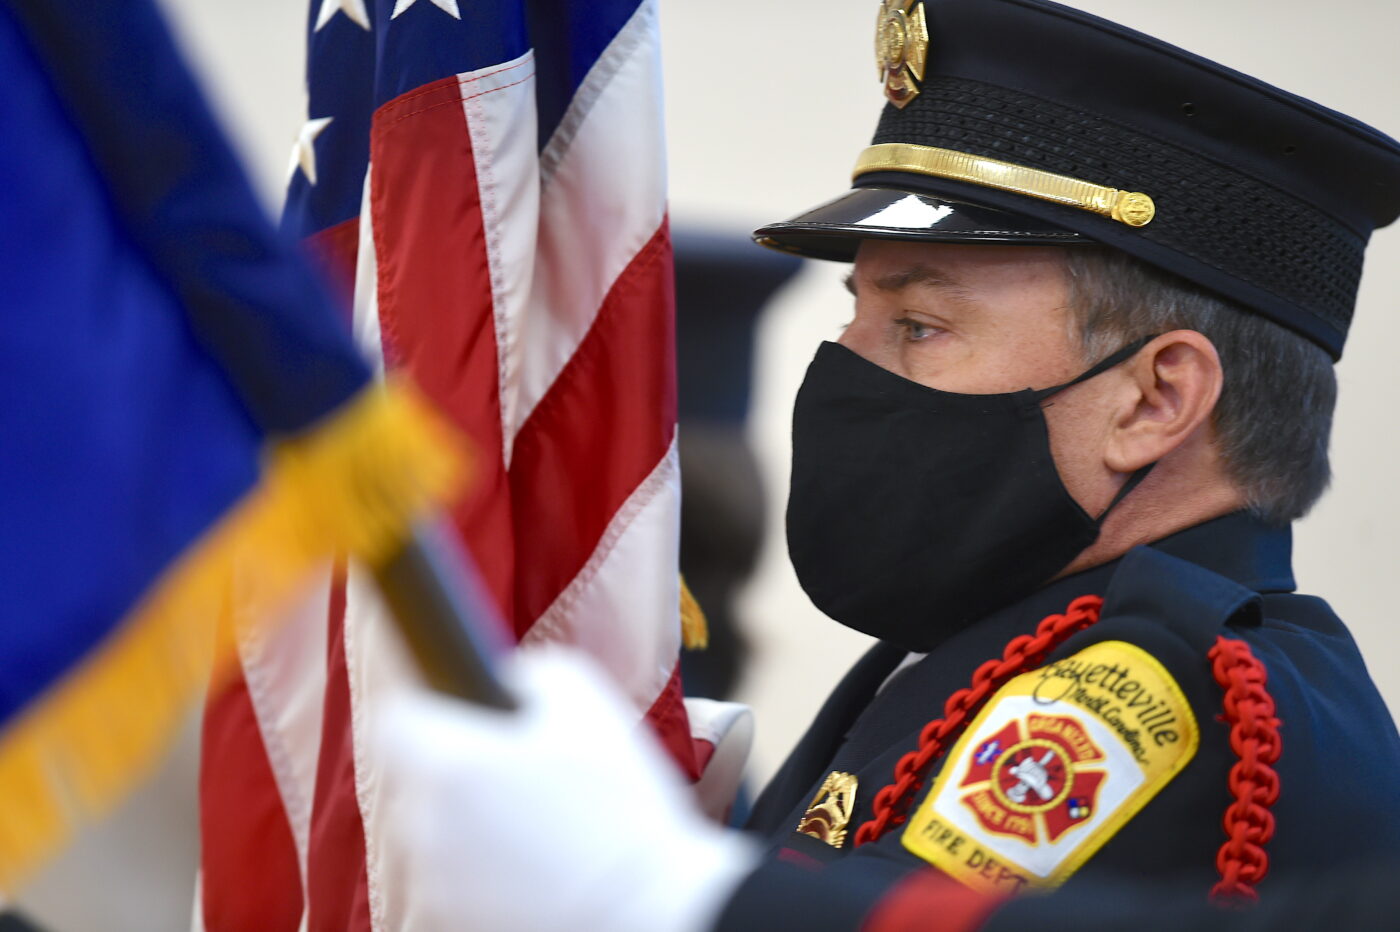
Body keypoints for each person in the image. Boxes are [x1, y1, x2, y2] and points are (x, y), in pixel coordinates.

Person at [376, 0, 1400, 928]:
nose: (841, 370)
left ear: (1155, 397)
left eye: (916, 323)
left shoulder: (1145, 693)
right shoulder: (1002, 640)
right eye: (852, 313)